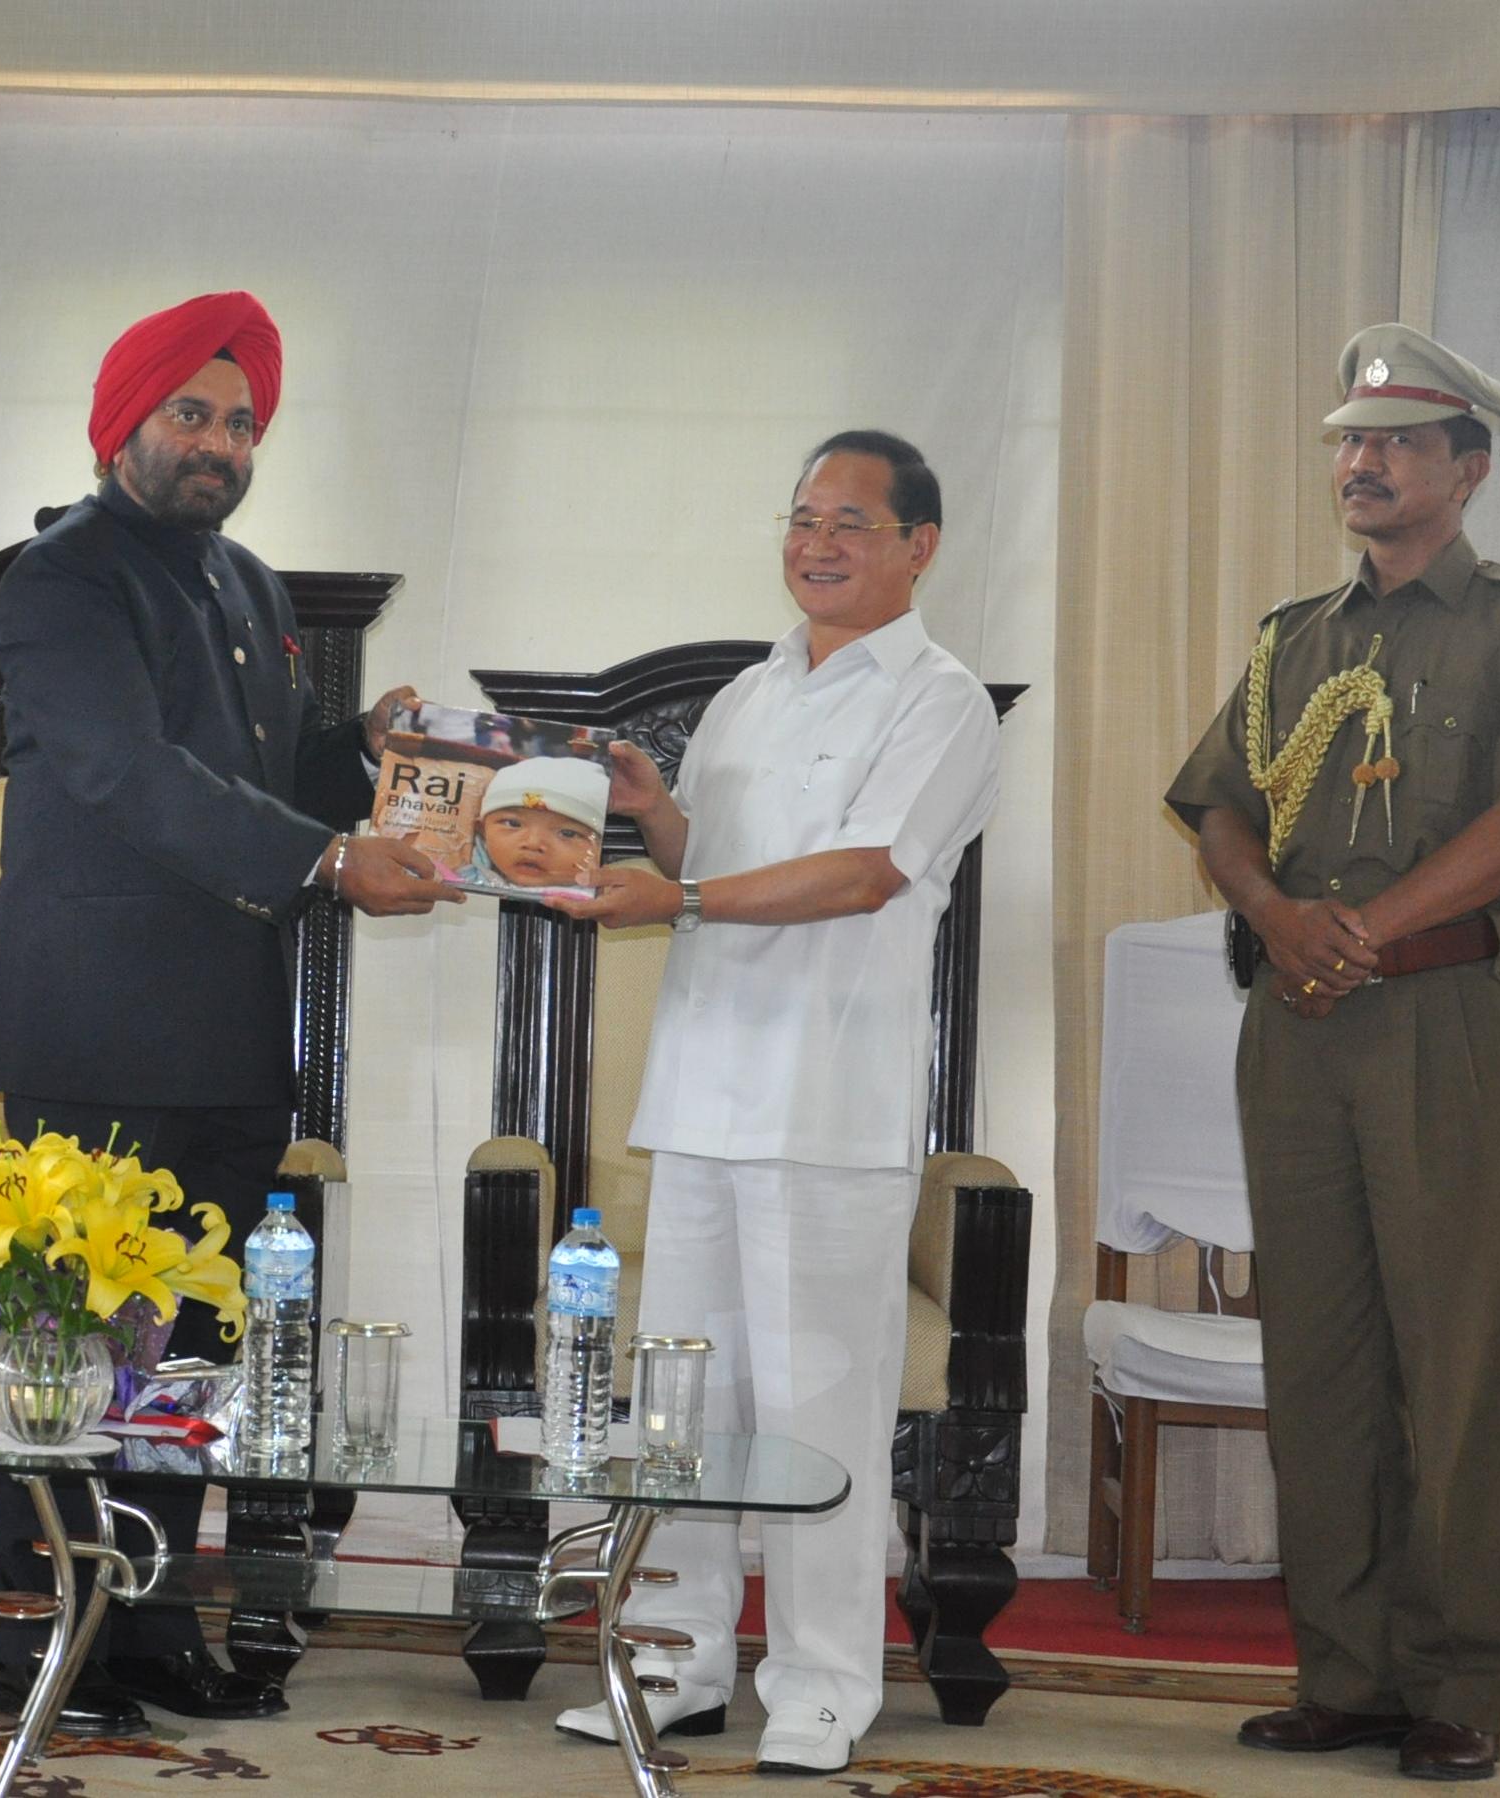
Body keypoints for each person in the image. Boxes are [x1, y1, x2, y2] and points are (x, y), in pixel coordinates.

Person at [0, 290, 456, 1737]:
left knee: (185, 1354)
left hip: (230, 1030)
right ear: (127, 421)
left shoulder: (245, 583)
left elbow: (257, 766)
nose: (220, 444)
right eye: (193, 413)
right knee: (69, 1342)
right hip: (96, 1022)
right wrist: (325, 854)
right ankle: (43, 1632)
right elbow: (128, 773)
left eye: (242, 422)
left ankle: (154, 1628)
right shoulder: (60, 574)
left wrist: (352, 755)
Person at [1165, 323, 1500, 1782]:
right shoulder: (1299, 635)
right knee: (1324, 1357)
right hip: (1299, 1025)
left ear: (1467, 468)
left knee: (1455, 1353)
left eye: (1399, 441)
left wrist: (1358, 931)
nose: (1362, 464)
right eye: (1352, 442)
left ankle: (1460, 1679)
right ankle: (1343, 1670)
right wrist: (1280, 915)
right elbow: (1222, 804)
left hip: (1441, 1018)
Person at [544, 430, 1001, 1776]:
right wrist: (654, 816)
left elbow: (865, 875)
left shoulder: (940, 698)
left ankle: (821, 1682)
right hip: (701, 1091)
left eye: (851, 522)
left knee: (818, 1407)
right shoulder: (749, 694)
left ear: (919, 544)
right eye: (803, 517)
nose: (818, 542)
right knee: (679, 1403)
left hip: (828, 1104)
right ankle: (678, 1659)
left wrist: (676, 892)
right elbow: (727, 867)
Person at [464, 755, 608, 890]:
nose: (533, 844)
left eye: (567, 833)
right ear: (482, 831)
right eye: (513, 824)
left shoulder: (605, 905)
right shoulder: (459, 881)